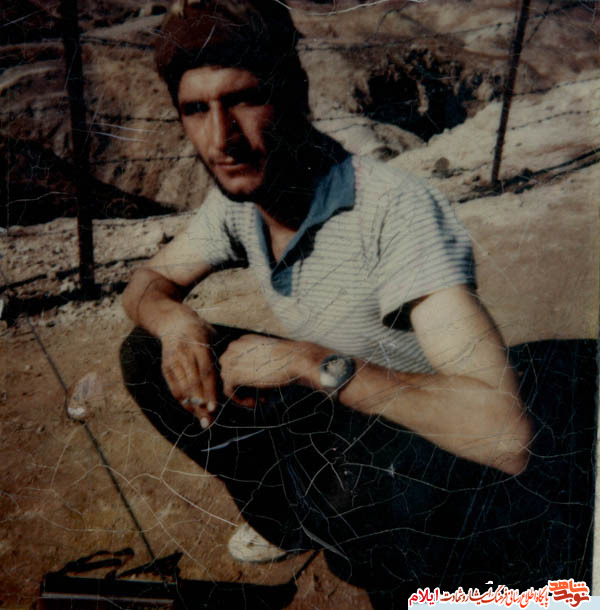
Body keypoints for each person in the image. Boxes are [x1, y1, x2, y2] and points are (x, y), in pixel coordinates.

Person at [119, 0, 546, 605]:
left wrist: (306, 361)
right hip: (343, 405)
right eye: (196, 109)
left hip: (430, 444)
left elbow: (504, 434)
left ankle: (404, 574)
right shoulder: (241, 199)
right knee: (144, 353)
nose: (222, 139)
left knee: (354, 496)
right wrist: (175, 324)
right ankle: (288, 523)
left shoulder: (393, 210)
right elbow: (145, 285)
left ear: (293, 95)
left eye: (245, 99)